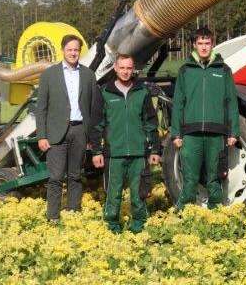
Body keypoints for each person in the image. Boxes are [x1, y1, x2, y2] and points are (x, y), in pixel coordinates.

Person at [89, 54, 161, 233]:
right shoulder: (104, 92)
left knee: (139, 195)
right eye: (122, 68)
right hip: (115, 153)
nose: (125, 72)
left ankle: (139, 228)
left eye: (129, 68)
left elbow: (151, 122)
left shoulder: (142, 92)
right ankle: (112, 227)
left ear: (133, 69)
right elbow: (96, 124)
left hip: (138, 153)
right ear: (115, 68)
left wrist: (155, 149)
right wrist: (96, 151)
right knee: (113, 195)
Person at [171, 27, 239, 210]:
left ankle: (215, 215)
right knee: (190, 179)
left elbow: (231, 102)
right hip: (191, 135)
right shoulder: (185, 70)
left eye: (207, 43)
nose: (203, 47)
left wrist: (234, 132)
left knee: (214, 178)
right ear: (194, 45)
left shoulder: (223, 70)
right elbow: (178, 103)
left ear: (212, 44)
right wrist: (176, 134)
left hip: (216, 134)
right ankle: (185, 214)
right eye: (200, 43)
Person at [34, 34, 100, 223]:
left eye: (76, 50)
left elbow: (93, 108)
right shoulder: (49, 74)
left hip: (79, 131)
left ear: (80, 52)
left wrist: (91, 136)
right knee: (55, 177)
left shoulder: (88, 75)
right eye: (70, 49)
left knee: (75, 176)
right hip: (56, 133)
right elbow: (41, 108)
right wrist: (41, 136)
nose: (73, 53)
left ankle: (73, 213)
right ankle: (53, 217)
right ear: (62, 50)